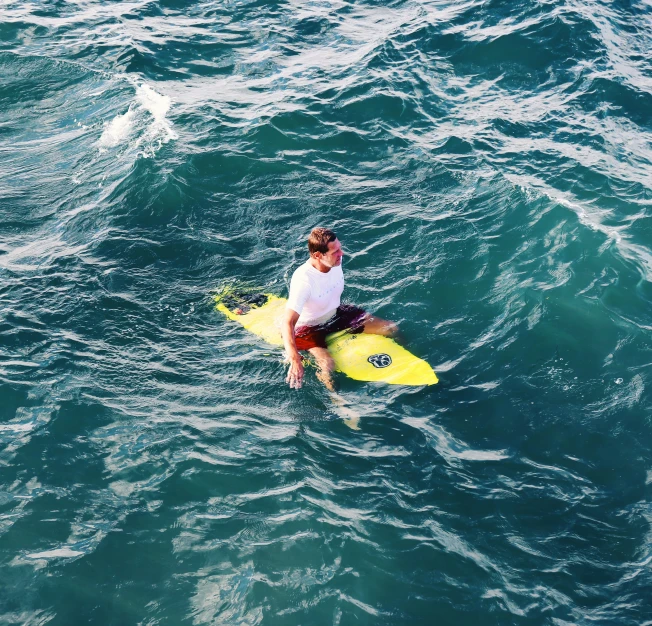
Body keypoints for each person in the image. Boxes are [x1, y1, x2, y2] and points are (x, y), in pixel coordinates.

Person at [282, 227, 397, 390]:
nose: (341, 254)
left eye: (340, 248)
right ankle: (338, 403)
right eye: (335, 251)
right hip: (309, 330)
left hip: (336, 315)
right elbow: (287, 323)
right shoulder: (304, 280)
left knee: (390, 328)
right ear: (317, 255)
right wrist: (294, 358)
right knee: (328, 365)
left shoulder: (336, 261)